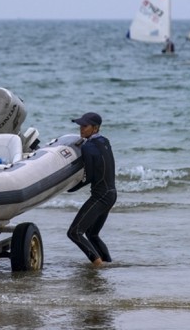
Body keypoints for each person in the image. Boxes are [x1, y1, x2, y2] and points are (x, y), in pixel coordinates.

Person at [67, 112, 117, 267]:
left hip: (101, 197)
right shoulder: (105, 141)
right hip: (111, 194)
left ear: (95, 128)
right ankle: (108, 265)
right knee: (92, 234)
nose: (81, 129)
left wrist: (71, 188)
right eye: (80, 125)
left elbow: (88, 177)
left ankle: (98, 265)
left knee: (74, 232)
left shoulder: (88, 146)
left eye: (85, 126)